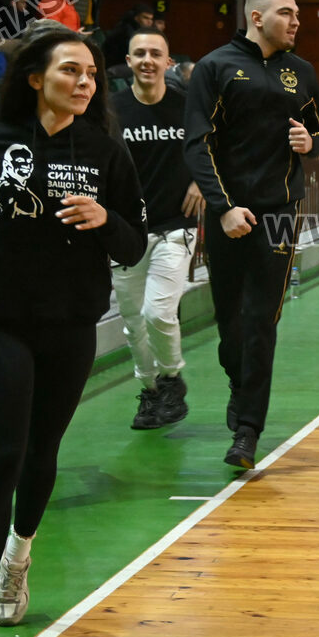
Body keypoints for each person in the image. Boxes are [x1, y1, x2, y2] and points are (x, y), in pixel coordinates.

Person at [0, 29, 146, 637]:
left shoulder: (106, 151)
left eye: (92, 74)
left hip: (71, 323)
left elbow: (134, 242)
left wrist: (105, 219)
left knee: (41, 453)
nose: (85, 82)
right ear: (35, 77)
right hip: (1, 320)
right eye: (71, 71)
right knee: (3, 455)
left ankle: (18, 558)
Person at [184, 0, 319, 469]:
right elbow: (197, 143)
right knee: (231, 321)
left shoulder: (301, 71)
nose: (296, 20)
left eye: (298, 12)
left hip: (282, 210)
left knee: (263, 319)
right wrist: (223, 208)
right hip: (227, 211)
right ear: (257, 17)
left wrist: (311, 142)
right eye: (287, 12)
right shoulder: (215, 67)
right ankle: (238, 382)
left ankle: (248, 430)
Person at [112, 28, 202, 430]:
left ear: (168, 62)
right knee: (134, 322)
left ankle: (171, 379)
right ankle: (150, 392)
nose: (147, 60)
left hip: (175, 226)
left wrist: (201, 182)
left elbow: (215, 148)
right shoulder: (110, 110)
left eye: (155, 53)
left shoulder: (188, 107)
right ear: (128, 61)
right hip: (126, 230)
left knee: (158, 311)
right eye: (139, 53)